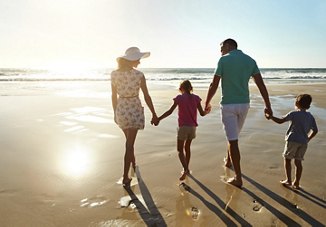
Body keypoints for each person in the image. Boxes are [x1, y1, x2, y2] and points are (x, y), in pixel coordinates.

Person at [205, 38, 272, 188]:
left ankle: (238, 178)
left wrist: (207, 102)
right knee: (233, 136)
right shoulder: (250, 60)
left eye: (221, 48)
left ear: (229, 46)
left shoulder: (223, 60)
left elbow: (214, 84)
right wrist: (268, 105)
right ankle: (229, 160)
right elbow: (260, 84)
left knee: (233, 140)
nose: (220, 51)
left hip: (229, 105)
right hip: (244, 105)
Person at [111, 47, 158, 187]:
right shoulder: (139, 75)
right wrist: (154, 114)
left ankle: (133, 162)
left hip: (121, 109)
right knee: (129, 144)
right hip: (134, 108)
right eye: (138, 59)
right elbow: (146, 96)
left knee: (129, 141)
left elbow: (113, 95)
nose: (139, 62)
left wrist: (115, 112)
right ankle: (125, 176)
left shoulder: (114, 74)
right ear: (132, 60)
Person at [156, 80, 209, 181]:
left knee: (180, 150)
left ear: (181, 89)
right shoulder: (196, 98)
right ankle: (186, 168)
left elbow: (170, 112)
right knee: (187, 147)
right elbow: (202, 113)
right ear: (190, 88)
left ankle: (185, 169)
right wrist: (207, 111)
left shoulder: (180, 98)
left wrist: (158, 118)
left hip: (183, 127)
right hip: (193, 127)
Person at [266, 94, 318, 189]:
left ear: (296, 103)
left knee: (287, 159)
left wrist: (270, 117)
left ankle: (288, 180)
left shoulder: (293, 114)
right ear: (309, 106)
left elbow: (280, 121)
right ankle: (296, 182)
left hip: (293, 140)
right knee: (298, 162)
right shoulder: (310, 117)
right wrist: (308, 138)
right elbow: (315, 130)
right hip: (303, 142)